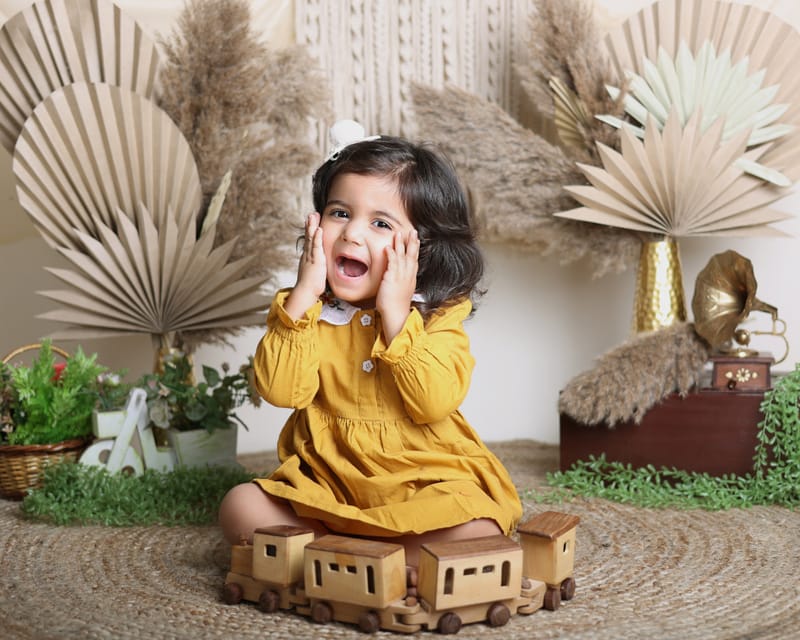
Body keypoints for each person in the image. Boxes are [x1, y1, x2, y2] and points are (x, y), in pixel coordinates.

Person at [218, 121, 522, 566]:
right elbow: (282, 391)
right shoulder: (305, 312)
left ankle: (342, 558)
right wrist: (303, 296)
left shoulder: (438, 313)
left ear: (424, 247)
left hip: (422, 480)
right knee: (240, 506)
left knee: (479, 527)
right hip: (328, 481)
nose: (352, 233)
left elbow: (433, 401)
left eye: (380, 223)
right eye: (340, 213)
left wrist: (397, 315)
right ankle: (380, 558)